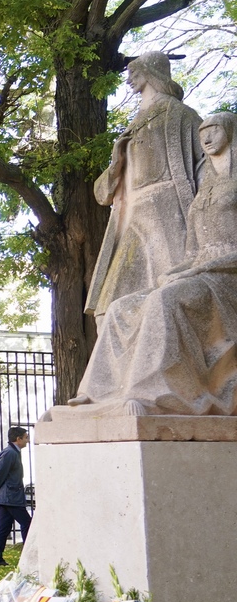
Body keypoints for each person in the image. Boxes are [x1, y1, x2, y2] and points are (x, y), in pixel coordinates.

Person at [69, 113, 237, 416]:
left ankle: (151, 391)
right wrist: (175, 272)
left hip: (227, 279)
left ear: (230, 131)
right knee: (122, 307)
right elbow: (192, 252)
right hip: (201, 272)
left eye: (214, 130)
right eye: (203, 134)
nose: (207, 138)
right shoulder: (204, 192)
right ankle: (98, 392)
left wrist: (198, 270)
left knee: (165, 300)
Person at [86, 52, 205, 318]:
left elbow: (211, 163)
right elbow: (102, 194)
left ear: (151, 72)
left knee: (170, 298)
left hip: (168, 214)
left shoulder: (181, 115)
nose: (128, 80)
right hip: (131, 217)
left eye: (134, 72)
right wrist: (116, 163)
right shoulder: (133, 126)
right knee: (106, 309)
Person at [0, 426, 30, 568]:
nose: (27, 441)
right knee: (27, 523)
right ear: (18, 439)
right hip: (11, 497)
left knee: (4, 528)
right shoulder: (10, 453)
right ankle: (29, 556)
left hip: (9, 496)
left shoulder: (13, 452)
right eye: (25, 437)